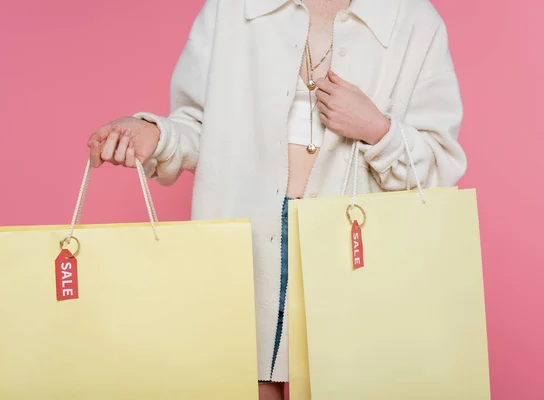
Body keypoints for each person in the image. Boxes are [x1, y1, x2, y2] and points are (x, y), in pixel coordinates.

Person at [87, 0, 466, 398]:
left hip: (352, 253)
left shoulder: (412, 20)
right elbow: (200, 129)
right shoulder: (231, 9)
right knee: (241, 386)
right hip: (245, 242)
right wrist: (156, 136)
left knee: (341, 384)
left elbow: (439, 164)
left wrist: (377, 129)